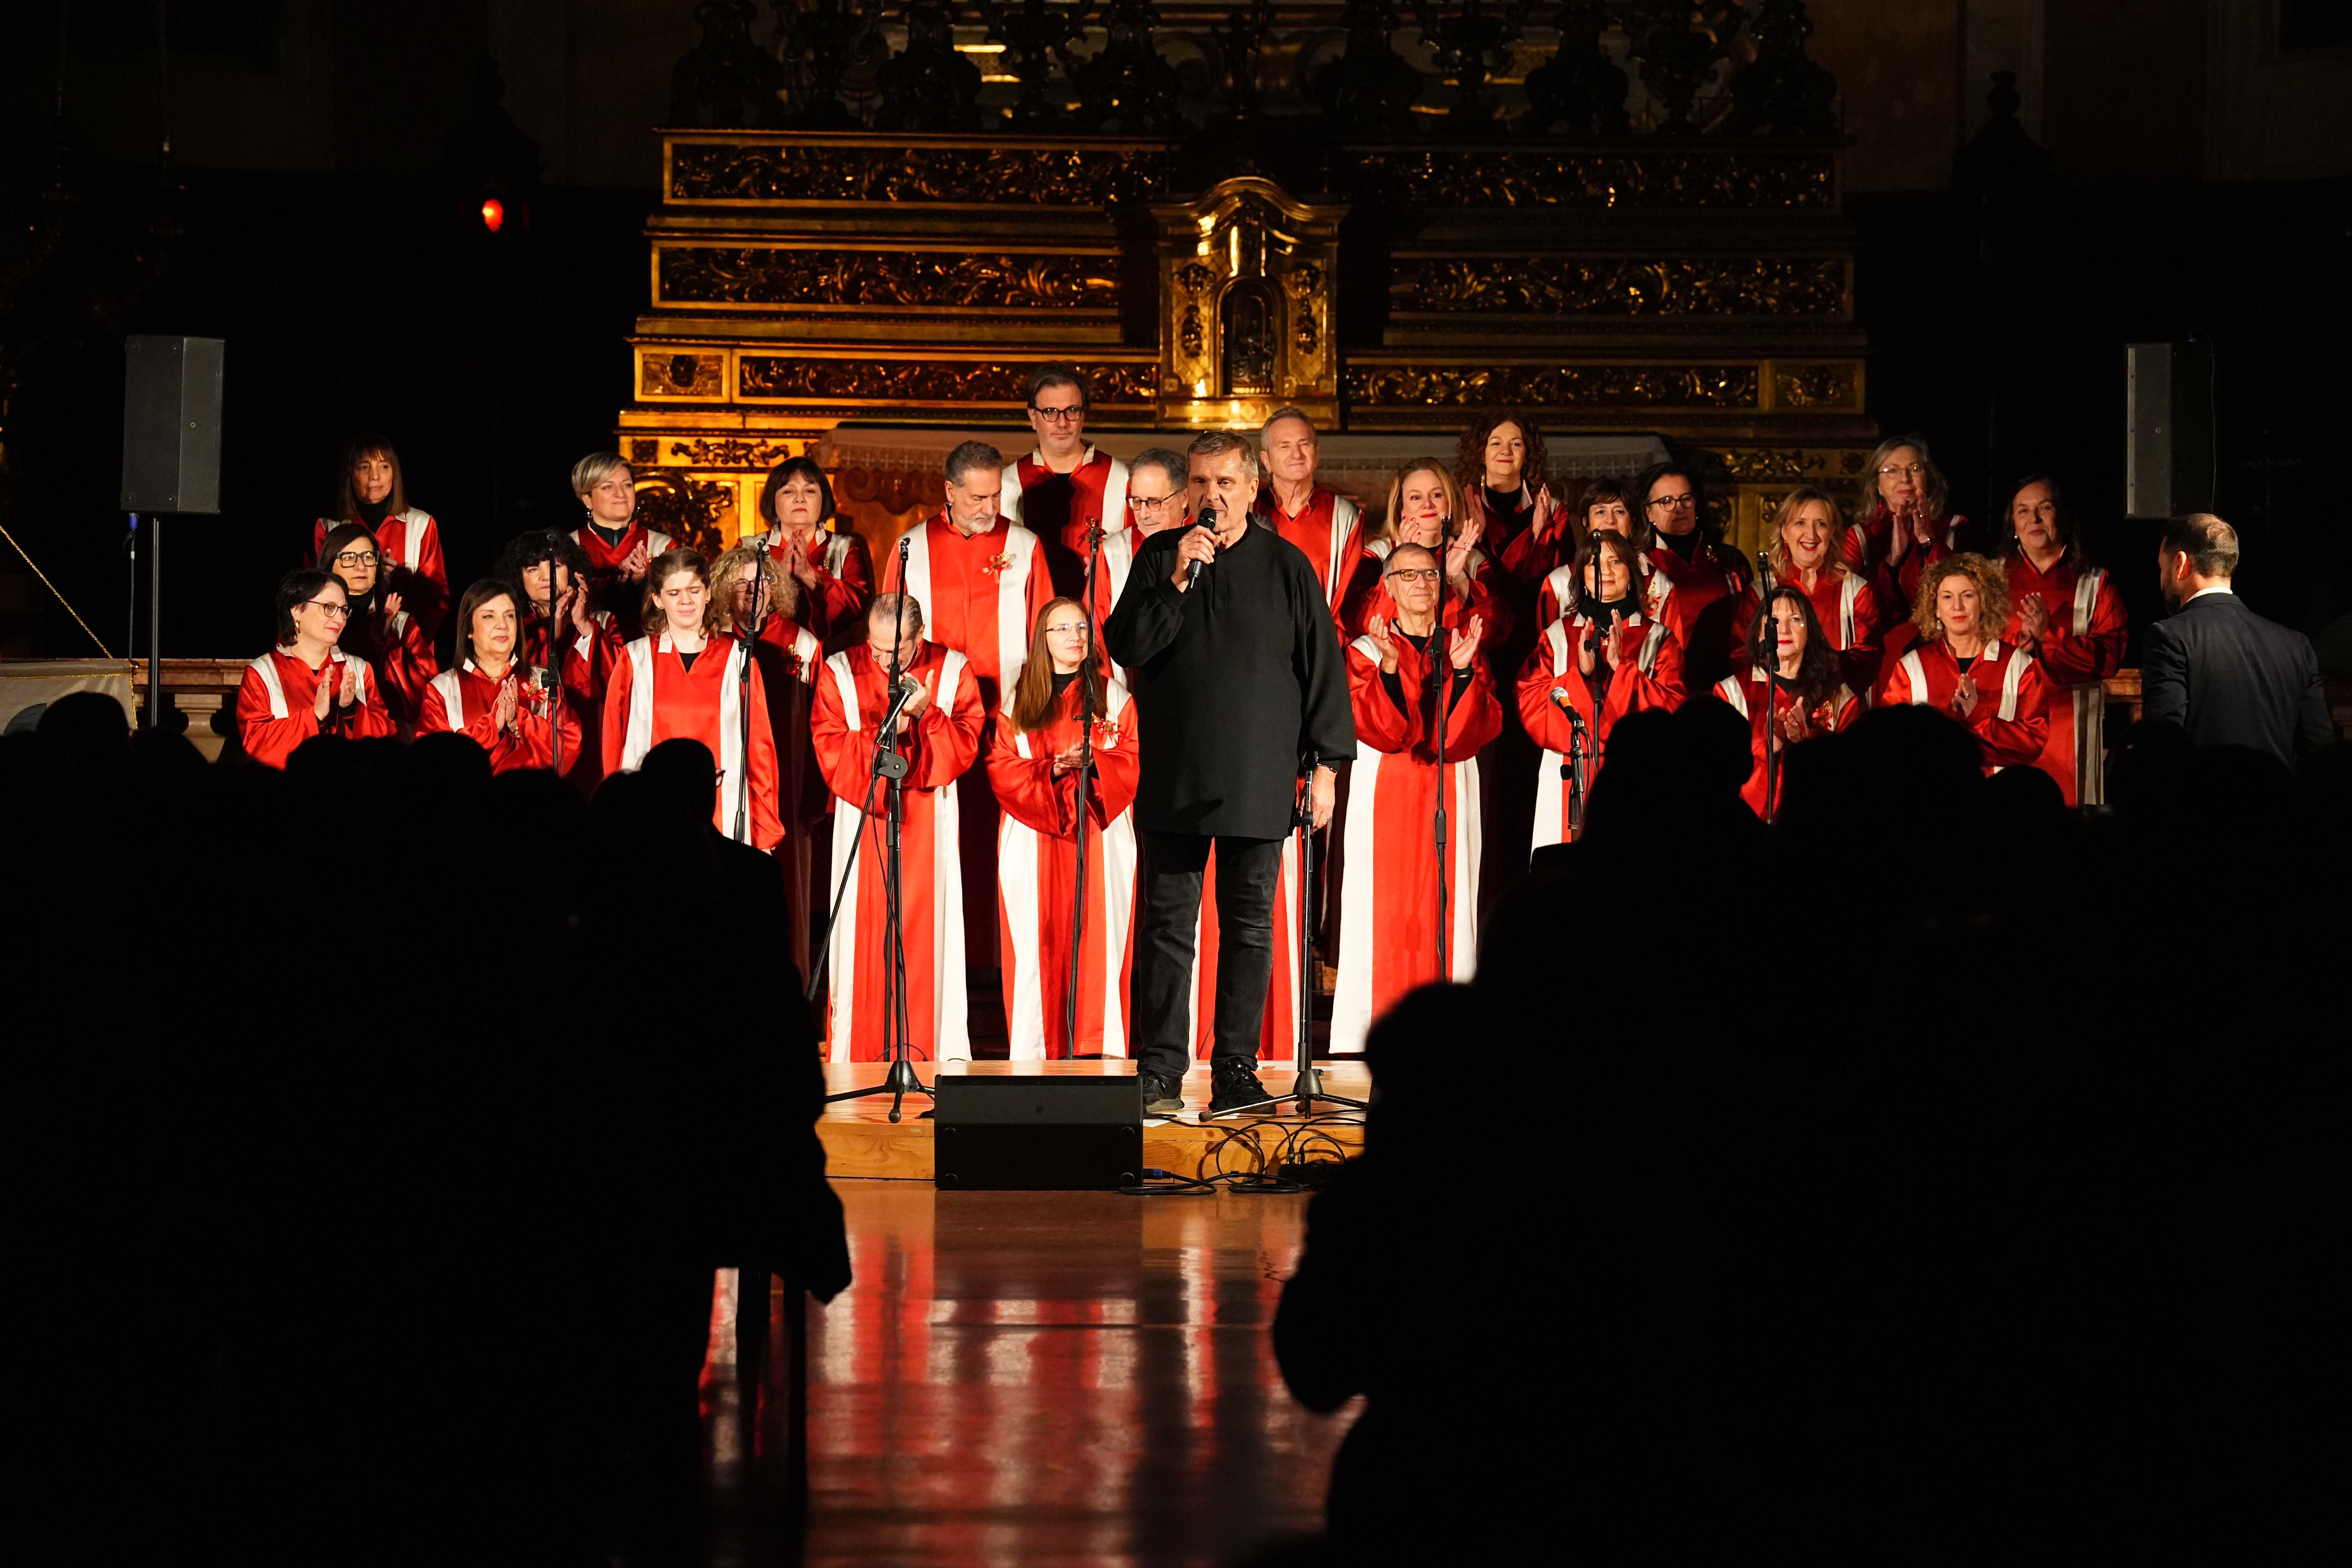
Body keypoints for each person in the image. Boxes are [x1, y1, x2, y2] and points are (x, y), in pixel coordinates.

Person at [1105, 430, 1356, 1117]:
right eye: (1202, 483)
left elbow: (1322, 672)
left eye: (1226, 483)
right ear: (1188, 491)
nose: (1212, 496)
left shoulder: (1287, 565)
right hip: (1176, 772)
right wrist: (1179, 579)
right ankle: (1159, 1069)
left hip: (1257, 772)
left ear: (1252, 488)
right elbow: (1126, 644)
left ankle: (1237, 1067)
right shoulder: (1161, 555)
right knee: (1167, 926)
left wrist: (1329, 767)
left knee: (1250, 928)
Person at [1331, 544, 1499, 1056]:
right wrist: (1388, 667)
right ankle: (1373, 1032)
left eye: (1429, 574)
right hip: (1388, 787)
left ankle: (1452, 1030)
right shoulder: (1364, 649)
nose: (1422, 583)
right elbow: (1378, 728)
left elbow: (1474, 730)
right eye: (1408, 574)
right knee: (1385, 907)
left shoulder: (1462, 644)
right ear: (1389, 584)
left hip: (1451, 784)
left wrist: (1465, 673)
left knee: (1447, 901)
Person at [894, 439, 1057, 959]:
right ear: (949, 491)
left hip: (1008, 718)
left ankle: (1001, 962)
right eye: (978, 499)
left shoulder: (1026, 545)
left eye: (996, 498)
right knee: (943, 841)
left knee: (1004, 846)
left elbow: (1047, 635)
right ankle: (947, 963)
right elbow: (892, 640)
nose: (990, 509)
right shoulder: (911, 547)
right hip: (935, 719)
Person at [810, 595, 987, 1063]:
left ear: (919, 633)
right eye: (878, 649)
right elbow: (828, 742)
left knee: (928, 926)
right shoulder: (841, 670)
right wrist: (886, 738)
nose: (885, 661)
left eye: (898, 650)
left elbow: (966, 743)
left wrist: (926, 715)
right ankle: (861, 1049)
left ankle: (931, 1051)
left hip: (931, 810)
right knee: (862, 929)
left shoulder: (951, 669)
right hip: (863, 811)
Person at [988, 598, 1141, 1060]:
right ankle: (1039, 1049)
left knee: (1102, 937)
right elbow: (1001, 766)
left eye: (1081, 626)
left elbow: (1131, 760)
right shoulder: (1019, 701)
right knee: (1040, 942)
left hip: (1101, 830)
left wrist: (1095, 765)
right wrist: (1052, 771)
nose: (1075, 635)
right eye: (1062, 628)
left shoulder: (1115, 698)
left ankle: (1100, 1050)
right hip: (1033, 833)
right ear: (1043, 640)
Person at [600, 548, 783, 851]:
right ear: (658, 599)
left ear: (708, 593)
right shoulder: (636, 658)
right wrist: (613, 819)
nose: (686, 600)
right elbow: (614, 743)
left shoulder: (738, 659)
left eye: (694, 590)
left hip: (723, 819)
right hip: (648, 819)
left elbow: (760, 750)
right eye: (674, 593)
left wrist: (765, 833)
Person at [1517, 531, 1685, 854]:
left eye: (1615, 562)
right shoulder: (1558, 635)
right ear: (1581, 576)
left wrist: (1623, 671)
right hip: (1568, 770)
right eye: (1594, 564)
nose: (1605, 571)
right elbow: (1531, 703)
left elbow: (1673, 711)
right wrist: (1580, 676)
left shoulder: (1659, 639)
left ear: (1632, 575)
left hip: (1641, 773)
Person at [2143, 512, 2331, 772]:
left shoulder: (2168, 637)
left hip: (2203, 808)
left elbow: (2164, 742)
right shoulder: (2296, 645)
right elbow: (2319, 748)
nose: (2162, 579)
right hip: (2279, 808)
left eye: (2162, 568)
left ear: (2181, 564)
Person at [713, 542, 826, 969]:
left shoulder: (803, 644)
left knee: (786, 894)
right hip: (729, 787)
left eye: (761, 581)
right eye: (741, 584)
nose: (752, 591)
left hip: (789, 785)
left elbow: (821, 725)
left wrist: (815, 798)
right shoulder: (711, 643)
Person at [1999, 476, 2129, 805]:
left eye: (2045, 508)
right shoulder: (1990, 579)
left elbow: (2110, 656)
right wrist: (2020, 644)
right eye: (2023, 511)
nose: (2035, 519)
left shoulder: (2095, 582)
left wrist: (2049, 638)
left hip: (2072, 729)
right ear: (2013, 523)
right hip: (2004, 721)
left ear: (2063, 518)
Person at [1877, 553, 2051, 771]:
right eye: (1947, 597)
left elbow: (2033, 743)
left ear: (1984, 603)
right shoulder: (1911, 668)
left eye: (1968, 596)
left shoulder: (2020, 665)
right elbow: (1889, 739)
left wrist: (1979, 717)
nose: (1957, 606)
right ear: (1936, 609)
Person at [1714, 585, 1862, 820]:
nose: (1783, 630)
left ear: (1810, 632)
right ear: (1760, 634)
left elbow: (1852, 777)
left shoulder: (1839, 698)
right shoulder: (1731, 693)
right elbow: (1719, 777)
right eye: (1773, 621)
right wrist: (1770, 749)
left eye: (1795, 620)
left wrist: (1806, 744)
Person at [1731, 486, 1884, 699]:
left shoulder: (1857, 591)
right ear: (1784, 530)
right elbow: (1742, 653)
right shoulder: (1762, 592)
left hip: (1837, 707)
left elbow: (1869, 656)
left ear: (1832, 532)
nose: (1811, 535)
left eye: (1821, 524)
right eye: (1800, 523)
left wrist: (1816, 672)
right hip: (1773, 706)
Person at [236, 569, 397, 767]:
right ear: (297, 610)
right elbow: (257, 746)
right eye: (329, 607)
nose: (340, 619)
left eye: (344, 610)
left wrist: (351, 710)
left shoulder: (360, 670)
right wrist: (314, 716)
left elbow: (386, 744)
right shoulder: (263, 673)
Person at [416, 579, 581, 772]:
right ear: (469, 629)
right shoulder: (443, 689)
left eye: (510, 616)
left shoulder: (543, 680)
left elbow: (568, 747)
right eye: (489, 617)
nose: (502, 625)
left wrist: (520, 722)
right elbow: (431, 761)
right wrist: (492, 726)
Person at [995, 366, 1130, 598]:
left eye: (1072, 411)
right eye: (1050, 412)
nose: (1062, 423)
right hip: (1029, 617)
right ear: (1033, 417)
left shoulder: (1120, 479)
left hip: (1102, 616)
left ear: (1084, 415)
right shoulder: (1008, 484)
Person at [500, 528, 619, 789]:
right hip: (534, 742)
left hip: (595, 738)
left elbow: (619, 682)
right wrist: (551, 635)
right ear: (520, 578)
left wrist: (585, 628)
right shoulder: (515, 627)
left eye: (555, 566)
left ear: (574, 572)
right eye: (533, 569)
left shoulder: (603, 621)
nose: (545, 576)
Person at [1339, 459, 1508, 642]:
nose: (1427, 505)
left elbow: (1495, 632)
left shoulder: (1471, 558)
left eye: (1436, 495)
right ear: (1401, 509)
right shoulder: (1378, 555)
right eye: (1416, 497)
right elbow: (1361, 623)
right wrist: (1402, 561)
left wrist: (1459, 579)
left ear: (1449, 504)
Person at [309, 433, 449, 641]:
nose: (375, 476)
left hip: (404, 653)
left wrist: (396, 581)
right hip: (342, 646)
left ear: (395, 473)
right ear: (350, 474)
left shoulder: (421, 525)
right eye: (364, 467)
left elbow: (437, 601)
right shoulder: (328, 527)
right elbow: (311, 596)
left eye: (384, 466)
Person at [1631, 459, 1751, 692]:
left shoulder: (1728, 562)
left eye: (1686, 499)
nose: (1679, 508)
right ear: (1648, 511)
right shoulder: (1637, 567)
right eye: (1666, 501)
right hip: (1663, 687)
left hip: (1726, 686)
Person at [317, 519, 437, 732]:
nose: (361, 566)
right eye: (349, 558)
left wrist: (387, 641)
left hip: (389, 735)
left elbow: (425, 692)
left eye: (368, 557)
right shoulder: (312, 617)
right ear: (329, 564)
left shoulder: (401, 622)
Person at [752, 456, 872, 651]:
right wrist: (779, 579)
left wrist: (810, 576)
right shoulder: (751, 548)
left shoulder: (844, 547)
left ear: (823, 500)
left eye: (810, 491)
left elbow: (859, 608)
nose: (800, 499)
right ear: (773, 501)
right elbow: (733, 608)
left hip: (831, 659)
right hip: (764, 657)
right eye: (789, 491)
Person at [1258, 408, 1365, 610]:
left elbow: (1349, 600)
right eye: (1285, 446)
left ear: (1317, 453)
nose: (1297, 454)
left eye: (1304, 444)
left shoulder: (1343, 516)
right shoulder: (1247, 511)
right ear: (1266, 461)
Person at [1858, 433, 1973, 611]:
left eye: (1914, 469)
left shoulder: (1955, 528)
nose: (1905, 479)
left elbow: (1963, 594)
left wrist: (1928, 541)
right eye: (1893, 471)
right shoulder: (1861, 536)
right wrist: (1892, 560)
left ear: (1927, 479)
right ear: (1878, 486)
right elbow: (1861, 605)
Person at [1455, 409, 1570, 581]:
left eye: (1516, 444)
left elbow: (1566, 581)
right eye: (1495, 444)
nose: (1506, 451)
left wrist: (1541, 538)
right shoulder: (1462, 510)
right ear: (1481, 454)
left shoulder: (1553, 510)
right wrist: (1477, 540)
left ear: (1527, 455)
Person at [570, 452, 673, 621]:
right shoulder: (570, 547)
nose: (621, 494)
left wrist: (642, 582)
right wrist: (614, 583)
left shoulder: (663, 547)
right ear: (588, 499)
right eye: (607, 487)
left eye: (627, 485)